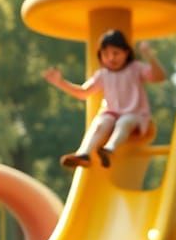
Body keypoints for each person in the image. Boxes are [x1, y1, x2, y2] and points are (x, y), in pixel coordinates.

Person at [42, 29, 166, 168]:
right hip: (112, 113)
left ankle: (109, 149)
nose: (111, 58)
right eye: (106, 54)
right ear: (100, 55)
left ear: (126, 53)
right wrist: (60, 82)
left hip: (135, 115)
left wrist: (149, 56)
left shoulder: (135, 68)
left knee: (124, 122)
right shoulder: (102, 75)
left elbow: (159, 76)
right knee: (100, 123)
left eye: (116, 53)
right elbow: (83, 92)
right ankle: (84, 154)